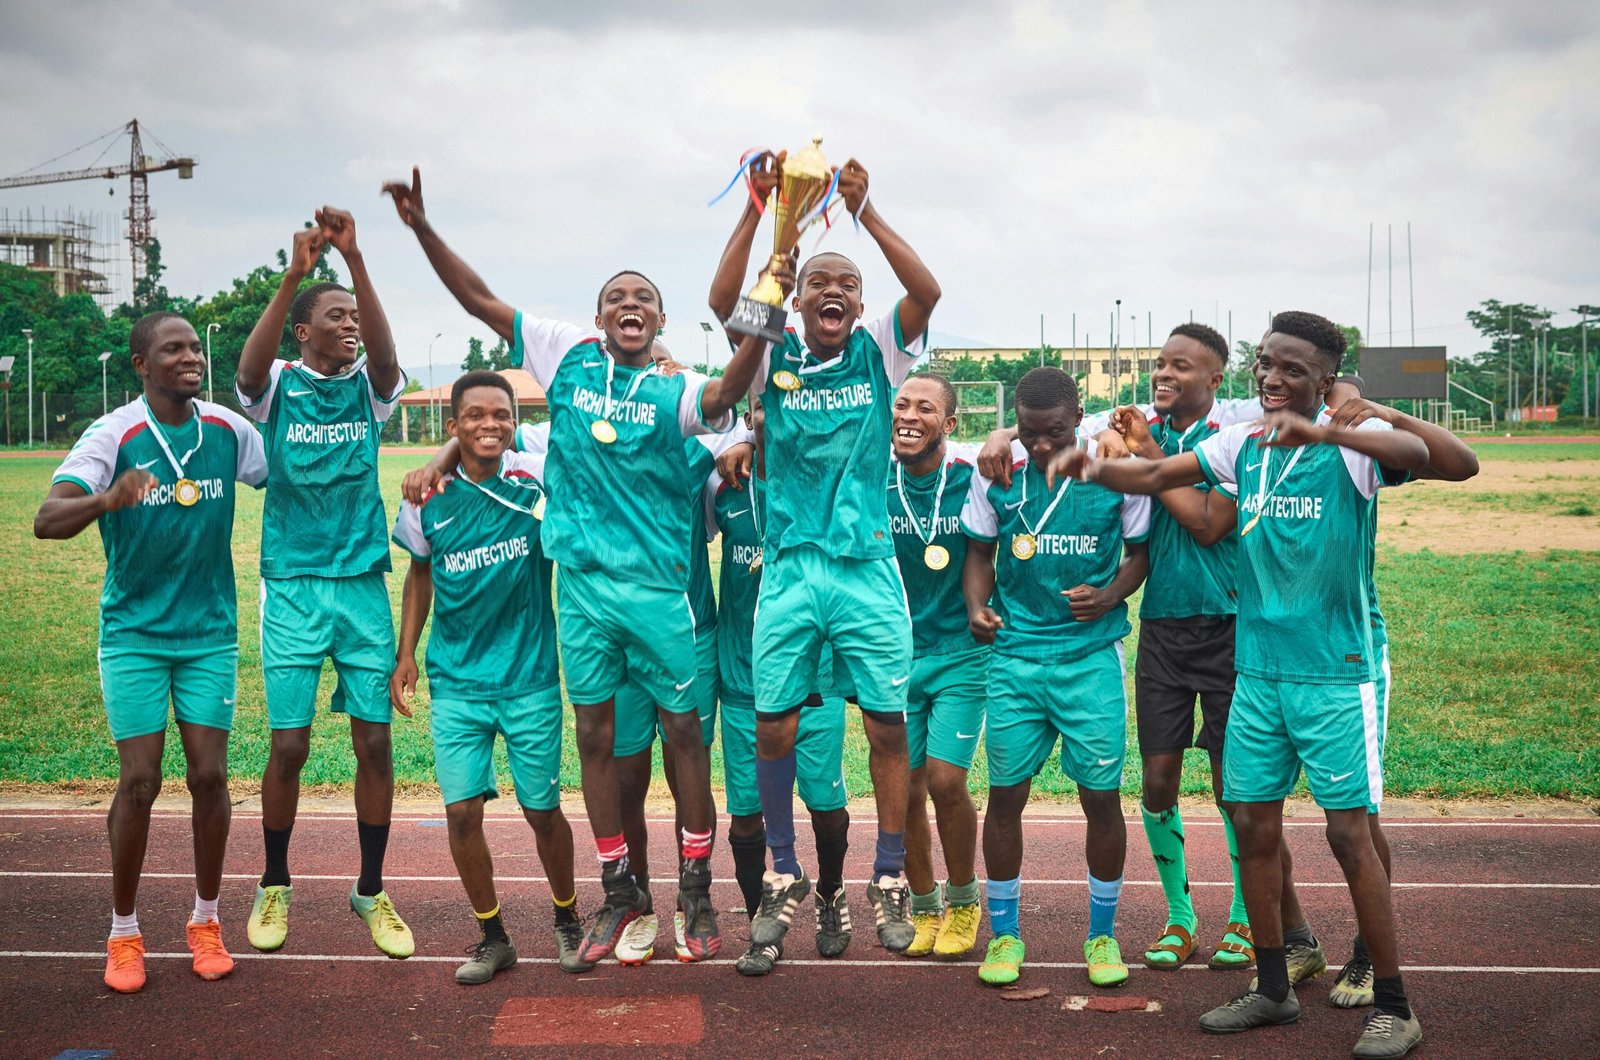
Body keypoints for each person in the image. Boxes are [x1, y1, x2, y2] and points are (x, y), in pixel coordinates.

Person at [384, 166, 774, 966]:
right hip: (585, 597)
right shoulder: (567, 359)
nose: (630, 308)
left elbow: (736, 391)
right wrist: (422, 228)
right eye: (616, 301)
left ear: (661, 319)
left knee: (684, 736)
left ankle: (694, 889)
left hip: (664, 596)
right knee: (596, 738)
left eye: (644, 301)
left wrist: (760, 325)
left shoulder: (680, 392)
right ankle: (620, 888)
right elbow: (480, 304)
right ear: (598, 318)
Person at [1046, 312, 1429, 1059]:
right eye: (1266, 366)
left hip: (1334, 671)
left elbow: (1445, 458)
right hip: (1256, 671)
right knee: (1252, 826)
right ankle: (1274, 986)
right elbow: (1156, 475)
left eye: (1289, 369)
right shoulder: (1242, 444)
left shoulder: (1351, 454)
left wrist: (1354, 420)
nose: (1272, 379)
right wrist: (1079, 463)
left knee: (1349, 832)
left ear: (1322, 380)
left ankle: (1394, 1002)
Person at [707, 154, 940, 955]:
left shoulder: (882, 349)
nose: (833, 291)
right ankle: (781, 870)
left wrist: (865, 210)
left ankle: (889, 874)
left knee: (885, 725)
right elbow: (720, 305)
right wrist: (763, 216)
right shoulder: (774, 353)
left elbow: (929, 292)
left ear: (861, 302)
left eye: (846, 283)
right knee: (773, 724)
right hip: (792, 567)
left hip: (866, 568)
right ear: (799, 298)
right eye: (819, 282)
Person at [35, 311, 267, 992]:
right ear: (141, 363)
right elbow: (48, 519)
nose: (191, 357)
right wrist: (108, 498)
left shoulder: (227, 430)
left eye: (196, 347)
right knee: (139, 782)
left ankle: (205, 922)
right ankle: (124, 932)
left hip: (208, 634)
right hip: (134, 634)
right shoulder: (115, 434)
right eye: (173, 349)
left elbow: (289, 477)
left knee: (210, 778)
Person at [235, 212, 413, 959]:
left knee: (374, 746)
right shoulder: (277, 386)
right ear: (302, 331)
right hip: (295, 586)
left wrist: (357, 263)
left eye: (356, 317)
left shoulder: (371, 392)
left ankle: (370, 891)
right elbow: (246, 372)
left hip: (362, 587)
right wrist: (295, 277)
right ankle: (274, 882)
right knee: (289, 746)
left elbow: (383, 357)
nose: (352, 326)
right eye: (335, 316)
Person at [960, 366, 1150, 989]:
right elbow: (980, 555)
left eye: (1056, 433)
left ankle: (1102, 935)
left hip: (1090, 657)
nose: (1042, 446)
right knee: (1007, 795)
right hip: (1015, 660)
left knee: (1100, 799)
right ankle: (1005, 934)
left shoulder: (1110, 471)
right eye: (1031, 433)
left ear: (1078, 420)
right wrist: (975, 607)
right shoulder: (996, 472)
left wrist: (1111, 593)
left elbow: (1140, 554)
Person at [389, 372, 583, 984]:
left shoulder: (534, 483)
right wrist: (406, 654)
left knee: (542, 811)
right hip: (456, 684)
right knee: (462, 813)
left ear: (514, 419)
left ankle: (567, 919)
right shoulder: (427, 500)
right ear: (454, 426)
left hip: (529, 680)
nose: (489, 424)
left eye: (500, 414)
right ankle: (493, 936)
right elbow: (420, 574)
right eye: (474, 416)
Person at [711, 395, 852, 975]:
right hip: (743, 682)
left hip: (812, 679)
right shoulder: (721, 488)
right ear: (749, 415)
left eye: (783, 404)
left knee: (825, 806)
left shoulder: (826, 483)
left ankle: (830, 895)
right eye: (759, 407)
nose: (770, 415)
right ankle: (759, 926)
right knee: (746, 816)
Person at [885, 373, 987, 957]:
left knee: (947, 781)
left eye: (926, 408)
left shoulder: (973, 478)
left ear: (948, 425)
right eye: (902, 404)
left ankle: (965, 899)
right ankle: (923, 905)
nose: (910, 415)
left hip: (961, 655)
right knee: (906, 789)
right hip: (895, 658)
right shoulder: (874, 479)